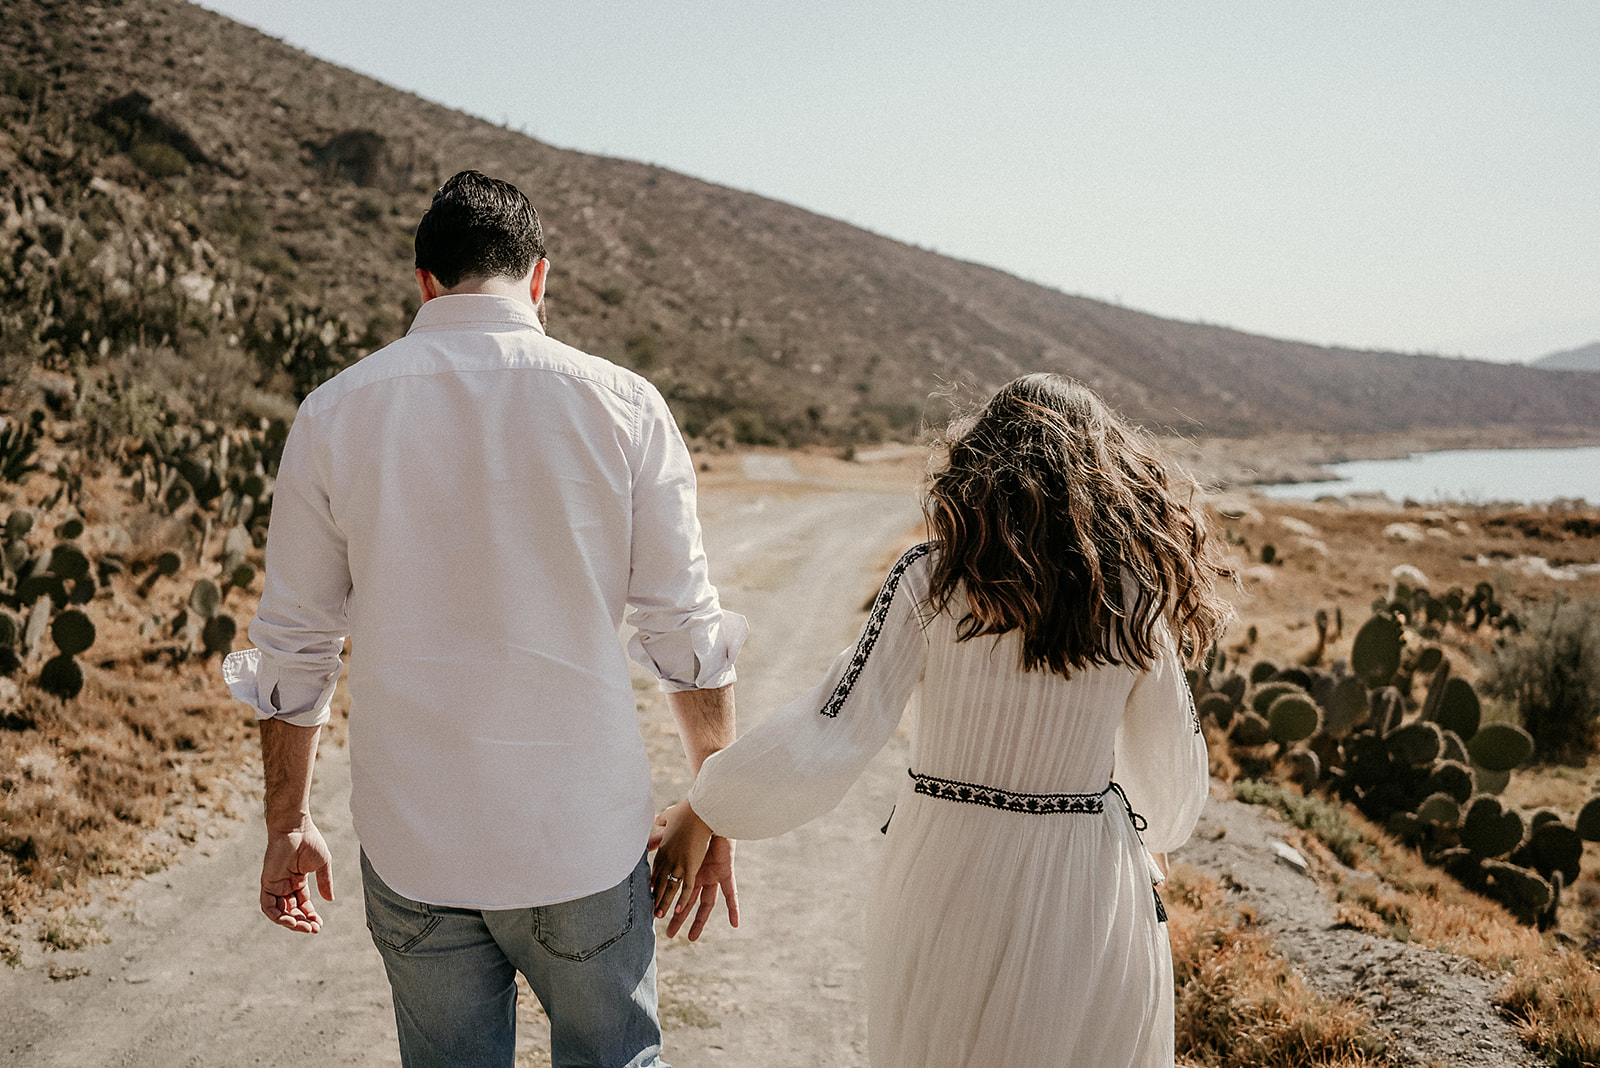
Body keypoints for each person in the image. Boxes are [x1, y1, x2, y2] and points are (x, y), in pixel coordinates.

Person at [222, 170, 745, 1068]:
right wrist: (716, 802)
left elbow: (296, 647)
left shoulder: (335, 412)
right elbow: (685, 634)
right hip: (580, 841)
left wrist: (288, 823)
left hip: (417, 841)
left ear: (424, 281)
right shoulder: (625, 406)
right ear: (539, 279)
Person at [651, 373, 1234, 1067]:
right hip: (1089, 880)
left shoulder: (931, 580)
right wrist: (1146, 829)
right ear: (1104, 476)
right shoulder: (1134, 594)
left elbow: (830, 725)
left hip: (947, 870)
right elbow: (1171, 792)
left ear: (978, 466)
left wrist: (707, 804)